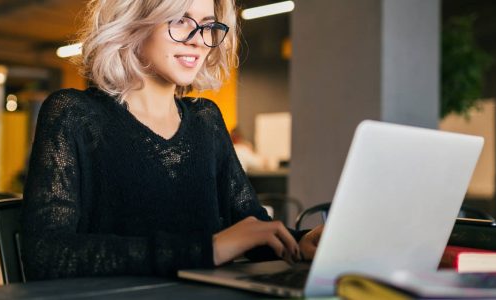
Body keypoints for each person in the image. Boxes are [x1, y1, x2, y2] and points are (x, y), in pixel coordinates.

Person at [20, 0, 323, 281]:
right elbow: (47, 255)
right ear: (134, 24)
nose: (198, 40)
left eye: (208, 26)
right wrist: (208, 249)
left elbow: (250, 225)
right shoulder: (74, 114)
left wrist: (300, 241)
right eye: (180, 20)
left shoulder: (207, 118)